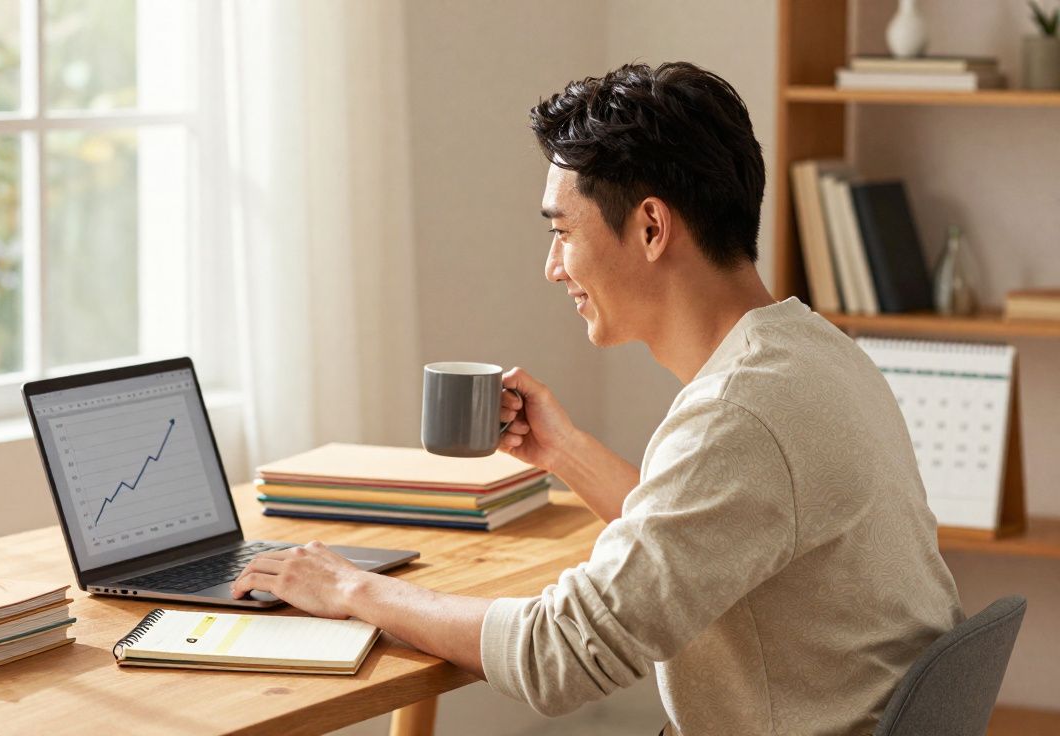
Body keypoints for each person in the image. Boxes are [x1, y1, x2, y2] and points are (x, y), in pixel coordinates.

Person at [232, 62, 962, 735]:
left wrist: (353, 589)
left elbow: (565, 654)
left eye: (562, 232)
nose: (553, 268)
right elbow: (701, 538)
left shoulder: (742, 413)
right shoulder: (811, 352)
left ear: (650, 227)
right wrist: (563, 450)